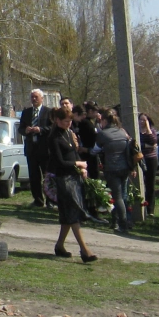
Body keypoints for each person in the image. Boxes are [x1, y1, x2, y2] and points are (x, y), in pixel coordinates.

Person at [46, 107, 97, 262]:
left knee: (68, 214)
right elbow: (60, 161)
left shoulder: (69, 133)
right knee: (73, 213)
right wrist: (78, 163)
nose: (69, 124)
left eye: (70, 121)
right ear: (57, 121)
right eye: (66, 121)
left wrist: (81, 169)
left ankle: (59, 246)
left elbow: (74, 152)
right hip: (63, 179)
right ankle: (84, 250)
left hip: (74, 177)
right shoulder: (53, 137)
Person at [94, 110, 134, 233]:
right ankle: (116, 221)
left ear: (105, 120)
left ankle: (122, 224)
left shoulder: (103, 134)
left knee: (117, 197)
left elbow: (95, 150)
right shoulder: (122, 132)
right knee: (123, 195)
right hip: (125, 167)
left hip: (112, 168)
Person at [17, 90, 51, 207]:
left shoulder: (48, 112)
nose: (34, 99)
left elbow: (52, 127)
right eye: (32, 97)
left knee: (47, 175)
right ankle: (38, 200)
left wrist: (40, 129)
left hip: (44, 149)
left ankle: (50, 200)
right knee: (34, 176)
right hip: (31, 149)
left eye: (36, 97)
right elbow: (20, 128)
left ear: (42, 98)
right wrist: (25, 130)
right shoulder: (26, 112)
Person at [138, 113, 159, 216]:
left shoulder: (152, 131)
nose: (142, 122)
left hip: (151, 159)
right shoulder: (137, 132)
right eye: (140, 120)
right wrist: (146, 145)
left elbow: (154, 142)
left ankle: (150, 209)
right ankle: (139, 205)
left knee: (150, 184)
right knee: (140, 182)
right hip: (140, 158)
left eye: (144, 120)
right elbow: (136, 145)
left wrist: (148, 130)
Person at [75, 103, 100, 178]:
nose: (97, 114)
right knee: (93, 174)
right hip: (88, 152)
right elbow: (93, 136)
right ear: (90, 111)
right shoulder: (86, 123)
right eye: (96, 112)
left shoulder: (90, 122)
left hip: (90, 151)